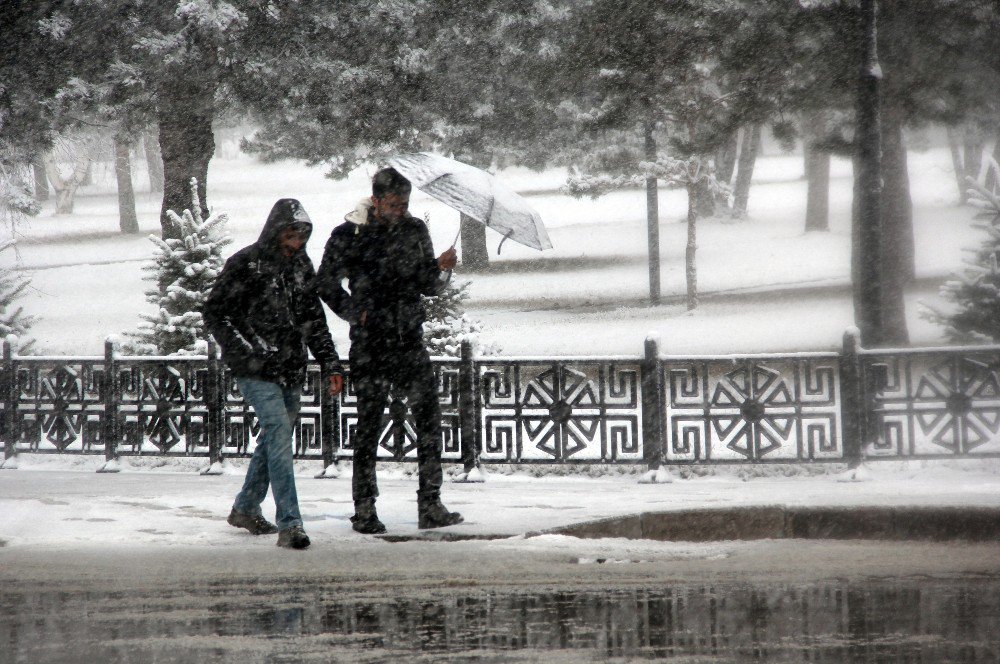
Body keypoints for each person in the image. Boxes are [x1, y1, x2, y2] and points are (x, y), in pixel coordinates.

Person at [314, 167, 463, 534]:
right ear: (376, 200)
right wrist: (354, 311)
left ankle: (430, 503)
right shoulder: (349, 234)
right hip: (371, 342)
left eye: (406, 203)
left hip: (409, 338)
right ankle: (364, 508)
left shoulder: (415, 231)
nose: (401, 210)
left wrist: (440, 270)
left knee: (429, 422)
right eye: (395, 204)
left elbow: (425, 284)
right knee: (368, 425)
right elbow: (325, 282)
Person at [204, 198, 343, 549]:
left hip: (290, 367)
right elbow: (215, 313)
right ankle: (290, 523)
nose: (295, 242)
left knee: (273, 438)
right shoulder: (245, 264)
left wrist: (330, 363)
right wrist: (245, 350)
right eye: (290, 234)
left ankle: (246, 507)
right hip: (255, 369)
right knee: (279, 432)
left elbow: (314, 321)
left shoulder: (301, 267)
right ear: (275, 230)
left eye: (301, 236)